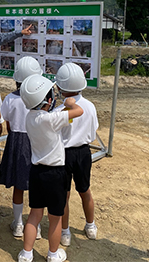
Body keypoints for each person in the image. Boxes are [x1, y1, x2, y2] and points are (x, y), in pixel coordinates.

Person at [17, 74, 84, 262]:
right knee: (56, 217)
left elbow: (48, 116)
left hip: (37, 172)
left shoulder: (30, 118)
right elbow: (78, 111)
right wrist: (70, 103)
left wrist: (61, 108)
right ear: (47, 100)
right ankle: (53, 254)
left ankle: (26, 253)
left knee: (34, 215)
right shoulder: (51, 119)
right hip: (55, 173)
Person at [0, 56, 43, 239]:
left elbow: (6, 122)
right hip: (36, 142)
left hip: (16, 142)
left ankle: (18, 224)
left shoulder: (9, 98)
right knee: (36, 186)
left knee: (18, 185)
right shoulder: (41, 99)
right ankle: (36, 226)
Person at [54, 63, 99, 246]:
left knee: (64, 194)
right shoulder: (90, 106)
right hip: (83, 153)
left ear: (59, 87)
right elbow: (94, 130)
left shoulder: (59, 111)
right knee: (85, 190)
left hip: (63, 153)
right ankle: (91, 225)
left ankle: (65, 232)